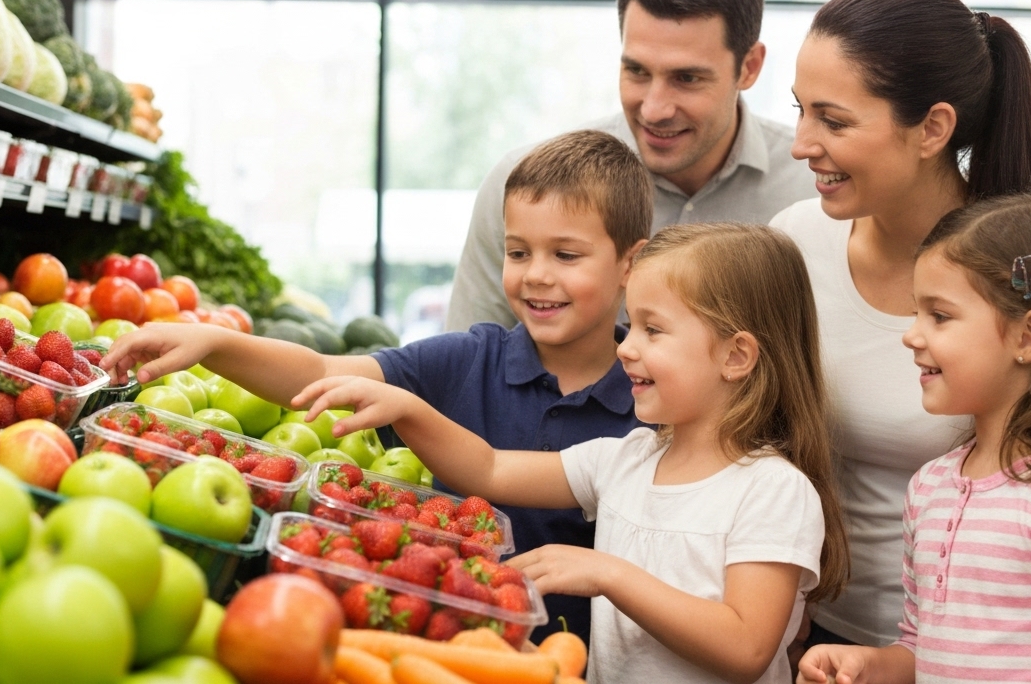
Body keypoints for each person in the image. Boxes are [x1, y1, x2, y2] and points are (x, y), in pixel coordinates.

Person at [100, 129, 653, 644]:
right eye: (517, 252)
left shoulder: (654, 399)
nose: (535, 273)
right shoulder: (466, 359)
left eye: (566, 254)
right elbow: (319, 372)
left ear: (631, 263)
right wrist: (215, 344)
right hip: (435, 647)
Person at [296, 223, 849, 684]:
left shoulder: (775, 489)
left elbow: (747, 647)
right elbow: (487, 467)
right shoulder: (628, 459)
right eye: (632, 326)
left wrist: (609, 574)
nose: (626, 347)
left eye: (653, 331)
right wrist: (407, 406)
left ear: (736, 356)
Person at [771, 0, 1031, 650]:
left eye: (833, 120)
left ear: (933, 128)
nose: (800, 144)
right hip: (816, 641)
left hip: (997, 657)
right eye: (799, 110)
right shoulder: (795, 244)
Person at [798, 190, 1031, 684]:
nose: (911, 335)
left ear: (1029, 336)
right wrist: (871, 665)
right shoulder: (929, 486)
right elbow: (922, 648)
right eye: (916, 312)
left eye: (939, 316)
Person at [447, 0, 816, 331]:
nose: (655, 109)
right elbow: (465, 373)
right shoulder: (519, 185)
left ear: (749, 67)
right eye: (637, 71)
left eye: (686, 78)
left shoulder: (814, 192)